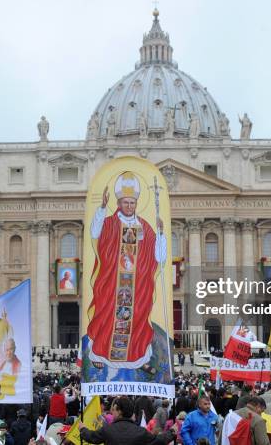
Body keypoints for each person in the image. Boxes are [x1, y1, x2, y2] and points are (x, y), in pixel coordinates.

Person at [87, 172, 167, 373]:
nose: (129, 206)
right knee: (107, 315)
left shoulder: (144, 227)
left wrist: (161, 234)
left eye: (132, 203)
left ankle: (138, 358)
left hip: (137, 285)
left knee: (138, 316)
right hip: (112, 283)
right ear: (119, 203)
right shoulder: (110, 223)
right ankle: (100, 354)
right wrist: (102, 208)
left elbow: (158, 256)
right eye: (126, 202)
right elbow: (95, 234)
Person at [79, 396, 176, 445]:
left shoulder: (107, 430)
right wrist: (172, 432)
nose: (112, 411)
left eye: (114, 409)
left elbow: (91, 436)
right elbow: (158, 440)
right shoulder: (141, 431)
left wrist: (82, 429)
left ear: (119, 411)